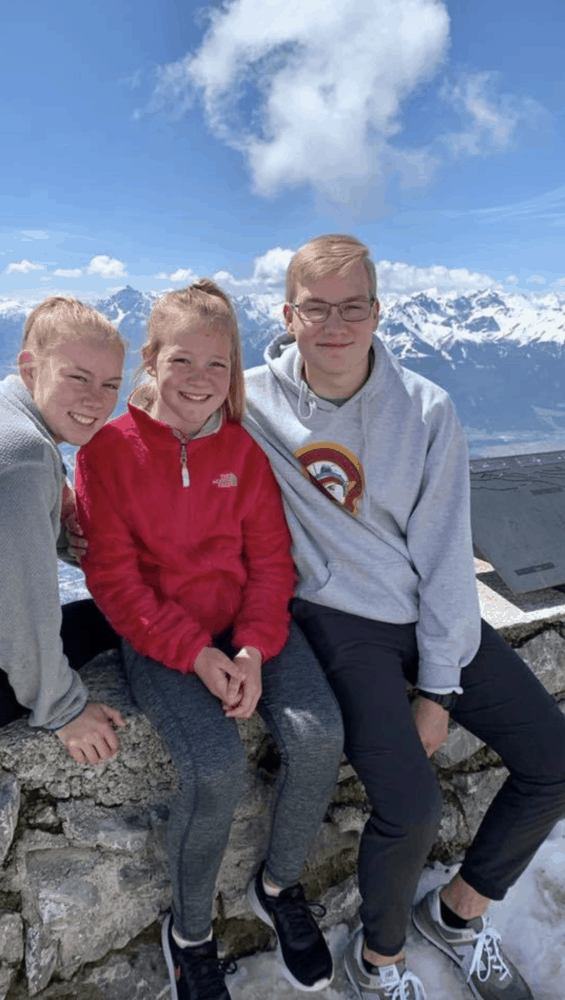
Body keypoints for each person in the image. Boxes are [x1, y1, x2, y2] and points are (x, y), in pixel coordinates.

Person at [243, 234, 565, 1000]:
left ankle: (456, 914)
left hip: (427, 608)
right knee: (411, 805)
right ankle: (380, 960)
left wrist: (439, 686)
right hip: (337, 621)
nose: (334, 325)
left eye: (352, 307)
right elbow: (160, 412)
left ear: (378, 312)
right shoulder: (247, 397)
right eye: (315, 308)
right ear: (287, 314)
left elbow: (447, 553)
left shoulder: (426, 408)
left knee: (551, 760)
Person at [74, 280, 344, 1000]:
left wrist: (253, 647)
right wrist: (197, 652)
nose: (199, 380)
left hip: (251, 628)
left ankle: (278, 885)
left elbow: (270, 564)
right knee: (216, 770)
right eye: (182, 361)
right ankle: (190, 932)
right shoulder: (108, 453)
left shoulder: (241, 451)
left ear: (233, 372)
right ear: (151, 362)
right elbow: (116, 580)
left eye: (216, 365)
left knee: (319, 736)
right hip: (162, 638)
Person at [0, 296, 127, 765]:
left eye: (111, 384)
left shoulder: (11, 417)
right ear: (31, 369)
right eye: (78, 377)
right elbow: (21, 606)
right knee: (111, 623)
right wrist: (64, 708)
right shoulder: (24, 455)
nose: (96, 399)